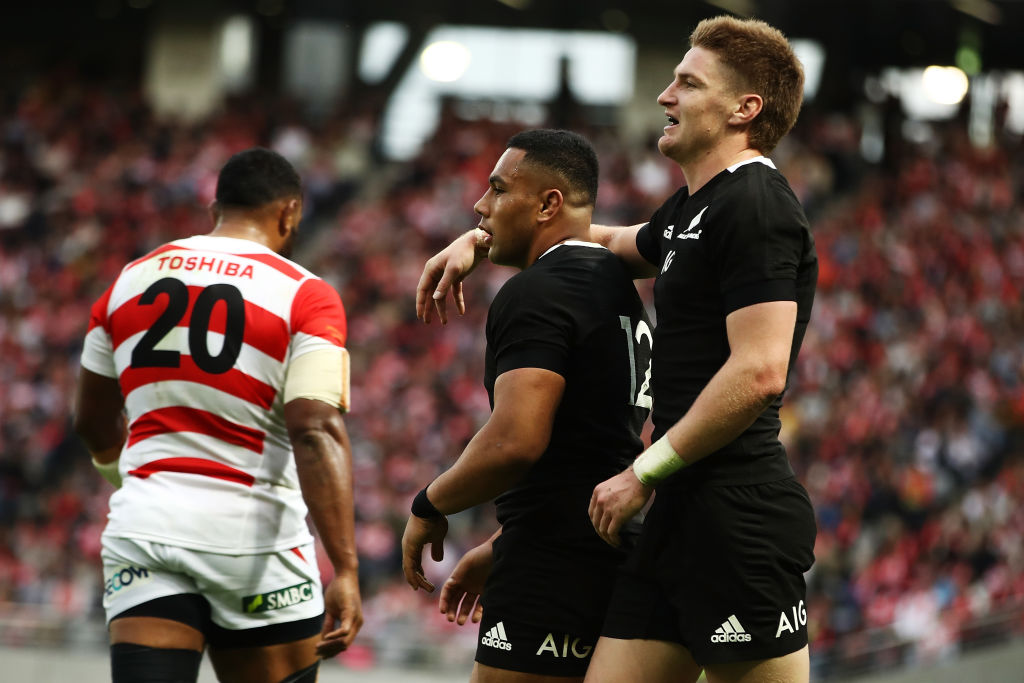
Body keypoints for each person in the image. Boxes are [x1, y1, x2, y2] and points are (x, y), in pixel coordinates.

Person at [415, 16, 817, 683]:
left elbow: (760, 371)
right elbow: (596, 240)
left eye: (688, 83)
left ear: (745, 109)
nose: (665, 95)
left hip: (737, 515)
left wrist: (642, 473)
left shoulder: (758, 205)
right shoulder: (694, 208)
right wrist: (480, 241)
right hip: (675, 517)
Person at [73, 147, 362, 683]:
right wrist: (345, 567)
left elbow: (91, 422)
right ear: (290, 213)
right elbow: (314, 428)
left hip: (146, 529)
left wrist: (125, 476)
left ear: (215, 211)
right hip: (253, 544)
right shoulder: (307, 296)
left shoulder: (128, 281)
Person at [401, 129, 652, 683]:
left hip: (553, 563)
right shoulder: (617, 286)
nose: (479, 205)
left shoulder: (537, 291)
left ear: (547, 205)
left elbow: (516, 442)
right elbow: (588, 449)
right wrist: (501, 543)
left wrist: (429, 504)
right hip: (608, 546)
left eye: (497, 189)